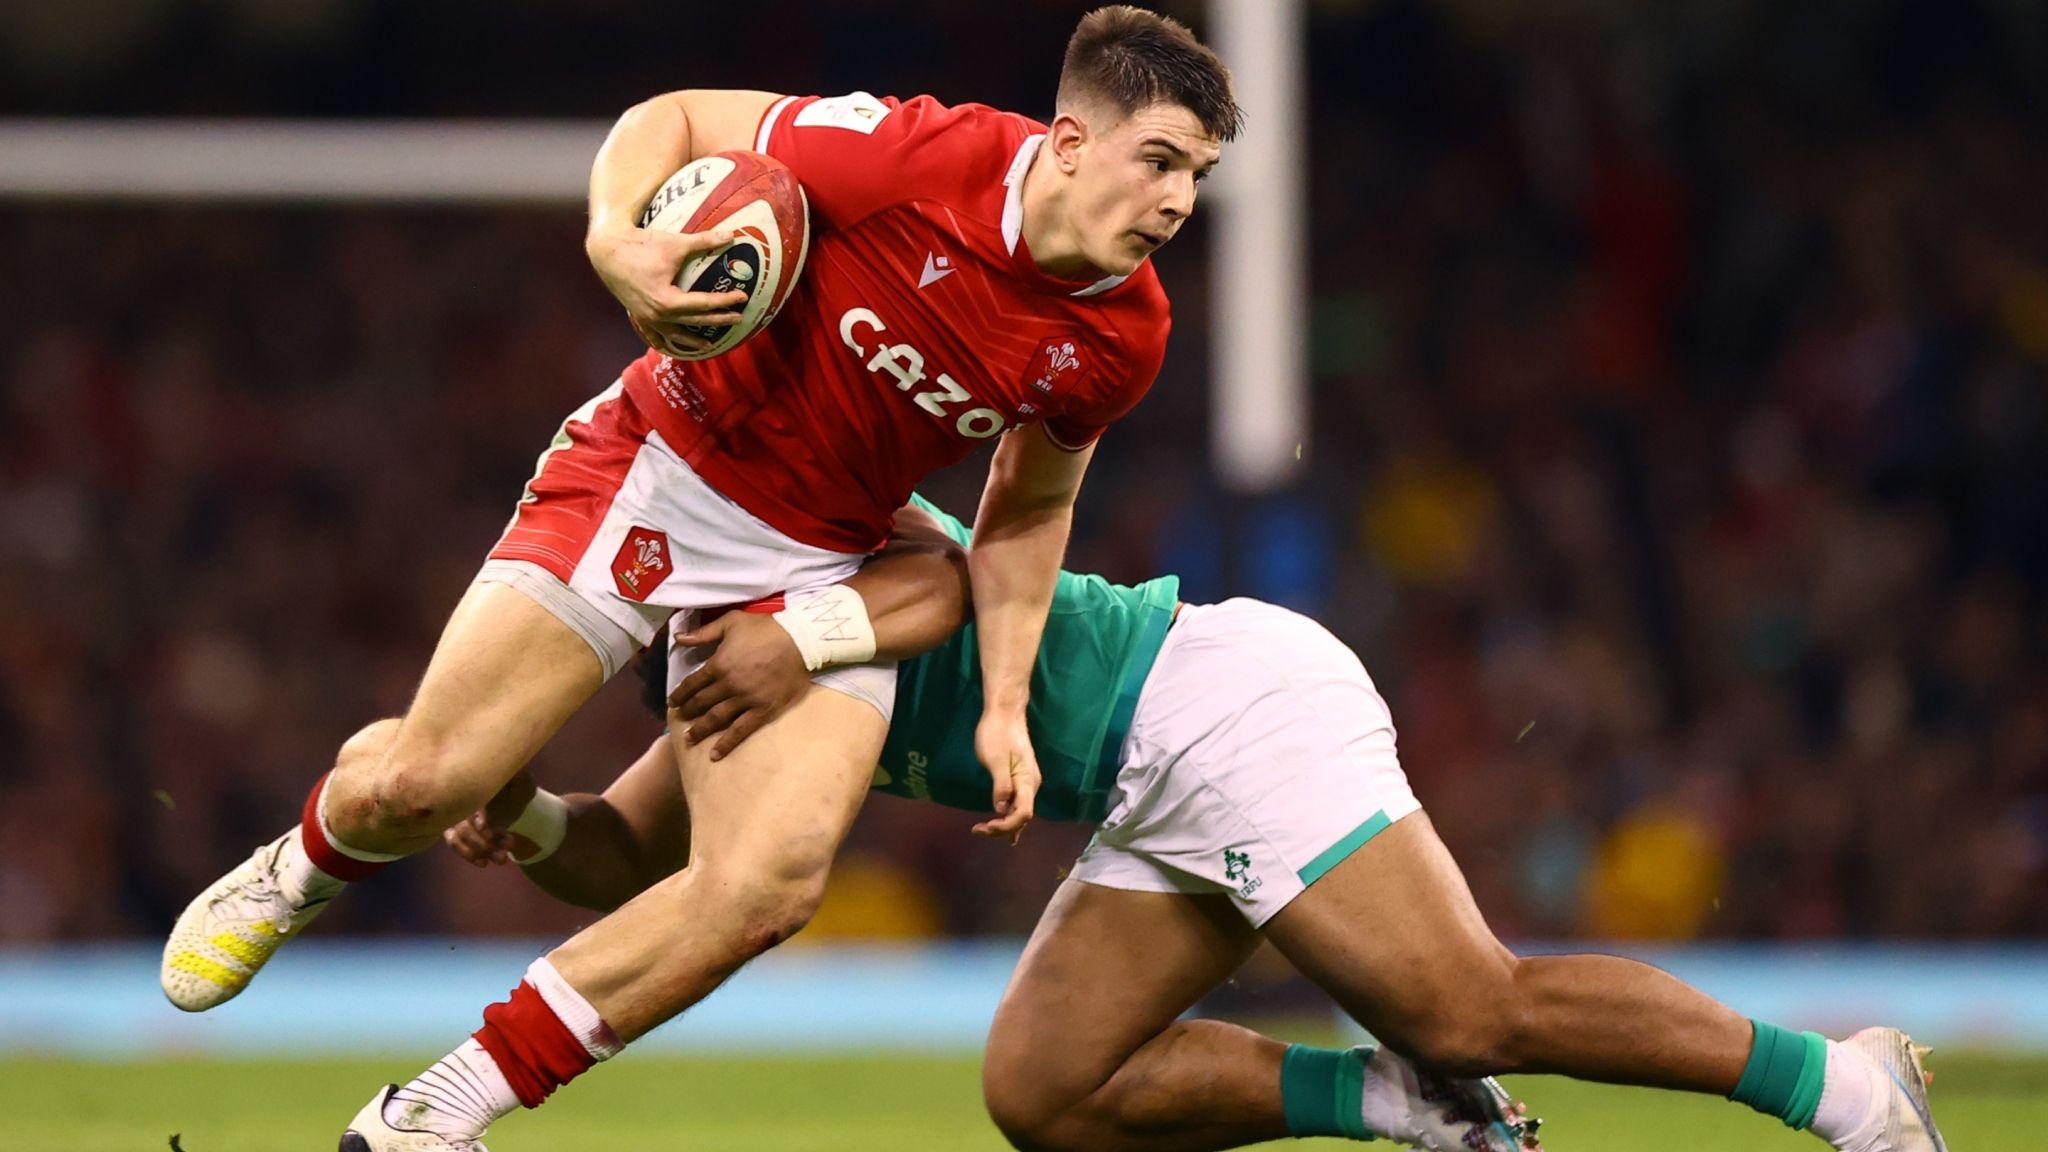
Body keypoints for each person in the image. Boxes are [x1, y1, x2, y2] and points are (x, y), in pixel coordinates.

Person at [161, 6, 1240, 1148]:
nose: (1175, 201)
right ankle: (304, 860)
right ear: (1070, 141)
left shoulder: (1124, 335)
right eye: (1157, 161)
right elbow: (669, 120)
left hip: (826, 549)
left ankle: (436, 1111)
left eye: (1197, 176)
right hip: (661, 468)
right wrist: (611, 236)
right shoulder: (912, 154)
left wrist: (1008, 706)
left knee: (765, 885)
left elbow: (1027, 510)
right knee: (416, 789)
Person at [378, 497, 1943, 1152]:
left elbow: (960, 567)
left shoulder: (821, 533)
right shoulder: (704, 655)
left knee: (1473, 999)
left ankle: (1850, 1092)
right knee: (1043, 1092)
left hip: (1215, 708)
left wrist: (818, 636)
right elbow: (642, 857)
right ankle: (1399, 1106)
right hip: (1141, 786)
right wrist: (512, 810)